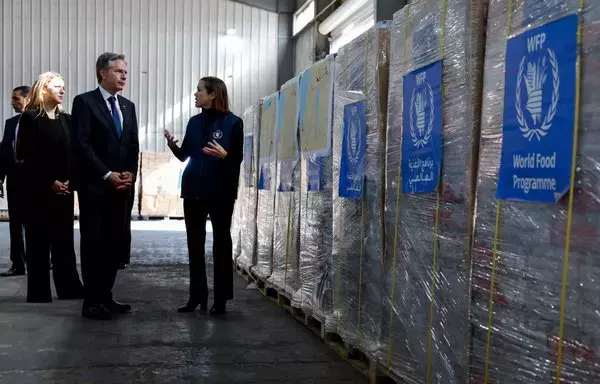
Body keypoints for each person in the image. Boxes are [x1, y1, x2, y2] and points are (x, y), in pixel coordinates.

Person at [164, 77, 243, 315]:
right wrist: (173, 146)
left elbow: (237, 158)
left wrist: (225, 156)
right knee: (194, 245)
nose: (195, 94)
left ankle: (221, 301)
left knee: (221, 244)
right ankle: (196, 297)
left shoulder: (233, 123)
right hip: (194, 191)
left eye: (199, 90)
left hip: (220, 192)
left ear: (212, 94)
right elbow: (185, 155)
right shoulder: (194, 122)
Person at [71, 52, 139, 320]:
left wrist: (130, 174)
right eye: (119, 71)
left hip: (121, 188)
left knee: (115, 243)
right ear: (102, 73)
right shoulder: (85, 102)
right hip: (95, 188)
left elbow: (132, 145)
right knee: (93, 244)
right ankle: (91, 302)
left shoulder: (128, 106)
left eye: (125, 71)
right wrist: (107, 174)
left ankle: (106, 296)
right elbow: (81, 145)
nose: (124, 75)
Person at [16, 72, 84, 302]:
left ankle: (70, 289)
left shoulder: (68, 120)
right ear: (44, 88)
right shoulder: (30, 119)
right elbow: (28, 156)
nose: (63, 90)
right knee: (38, 242)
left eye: (63, 87)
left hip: (63, 190)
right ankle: (39, 292)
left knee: (64, 241)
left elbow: (75, 155)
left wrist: (69, 182)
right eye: (57, 86)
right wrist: (50, 182)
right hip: (38, 190)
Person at [0, 86, 30, 277]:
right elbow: (4, 151)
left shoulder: (38, 120)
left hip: (35, 181)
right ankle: (18, 264)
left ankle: (43, 261)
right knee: (15, 224)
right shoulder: (10, 123)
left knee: (36, 223)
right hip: (14, 180)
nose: (12, 102)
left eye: (16, 99)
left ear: (28, 99)